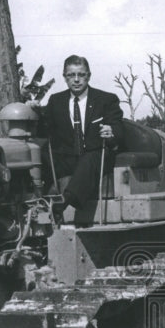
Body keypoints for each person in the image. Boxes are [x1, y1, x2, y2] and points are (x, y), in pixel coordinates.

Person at [40, 55, 125, 225]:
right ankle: (33, 202)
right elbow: (43, 129)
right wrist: (34, 112)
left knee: (90, 157)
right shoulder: (55, 101)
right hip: (67, 158)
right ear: (65, 77)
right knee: (40, 155)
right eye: (71, 75)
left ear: (89, 76)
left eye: (81, 75)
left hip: (97, 157)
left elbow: (119, 129)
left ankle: (64, 202)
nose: (76, 80)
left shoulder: (106, 99)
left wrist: (111, 131)